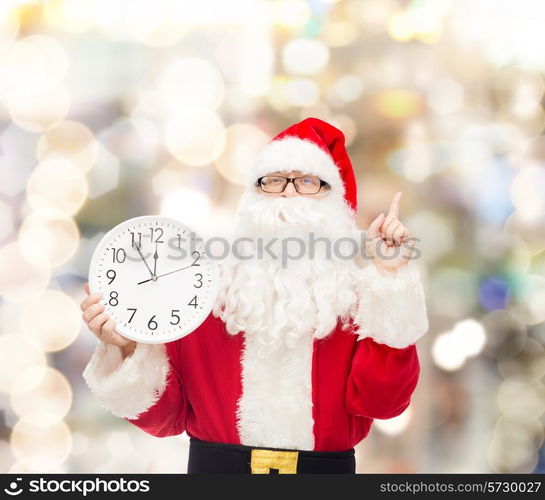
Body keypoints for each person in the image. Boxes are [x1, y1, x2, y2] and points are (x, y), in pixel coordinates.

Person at [81, 117, 429, 474]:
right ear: (252, 197)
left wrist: (390, 280)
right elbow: (164, 417)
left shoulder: (358, 298)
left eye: (308, 181)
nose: (290, 192)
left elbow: (383, 403)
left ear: (335, 202)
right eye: (274, 181)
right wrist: (124, 348)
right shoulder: (202, 291)